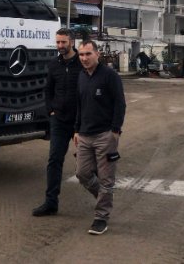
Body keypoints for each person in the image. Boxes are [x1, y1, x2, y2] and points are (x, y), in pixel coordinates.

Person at [74, 40, 126, 235]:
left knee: (106, 179)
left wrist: (115, 130)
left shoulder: (110, 76)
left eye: (88, 54)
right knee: (82, 173)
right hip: (84, 135)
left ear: (97, 54)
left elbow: (120, 103)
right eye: (81, 55)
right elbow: (80, 105)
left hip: (105, 135)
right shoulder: (81, 76)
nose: (84, 58)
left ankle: (101, 218)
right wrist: (76, 130)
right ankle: (104, 197)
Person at [32, 28, 82, 217]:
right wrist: (50, 111)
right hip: (59, 120)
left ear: (72, 42)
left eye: (63, 42)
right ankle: (51, 202)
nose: (60, 46)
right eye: (58, 42)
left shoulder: (82, 63)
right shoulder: (54, 64)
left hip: (79, 122)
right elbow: (48, 89)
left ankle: (101, 202)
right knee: (54, 160)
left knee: (88, 164)